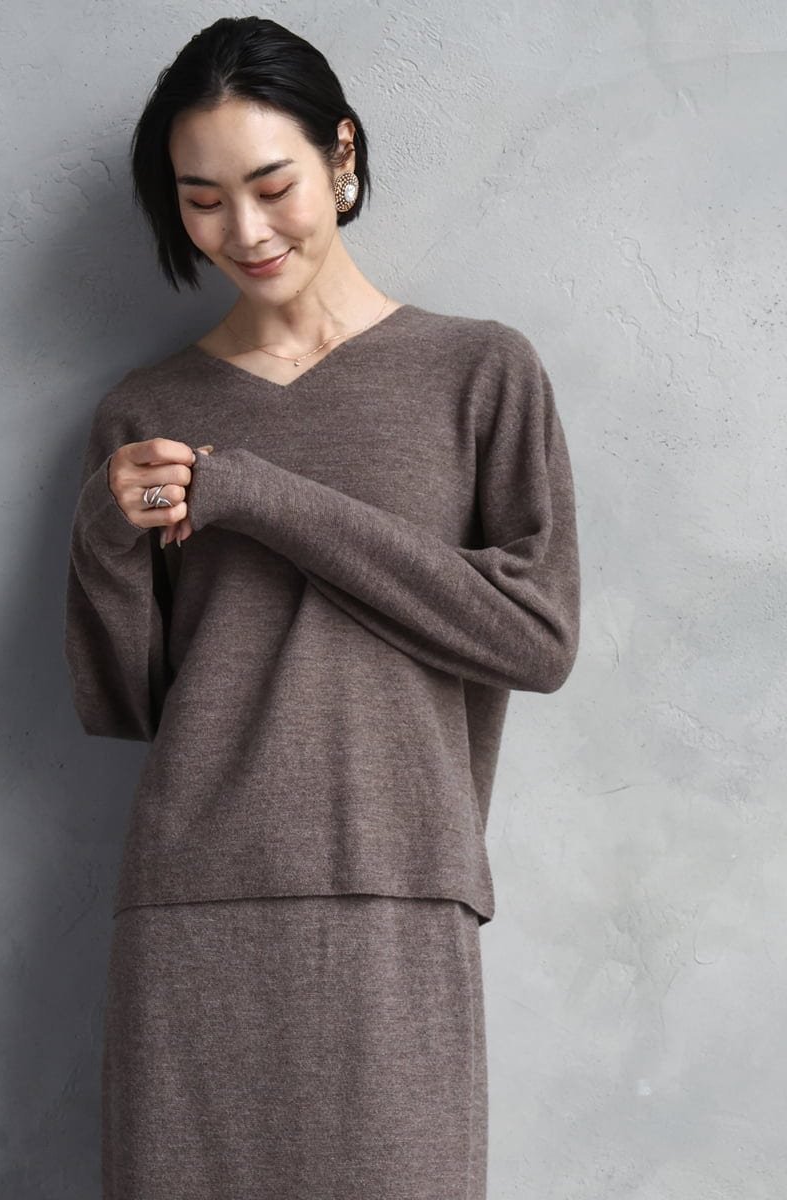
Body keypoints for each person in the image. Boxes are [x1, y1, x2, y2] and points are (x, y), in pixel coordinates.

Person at [63, 15, 581, 1200]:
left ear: (340, 154)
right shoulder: (145, 409)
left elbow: (536, 636)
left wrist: (261, 496)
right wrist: (105, 537)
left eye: (270, 186)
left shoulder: (478, 371)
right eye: (201, 201)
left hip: (397, 884)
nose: (243, 232)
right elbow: (126, 703)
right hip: (193, 894)